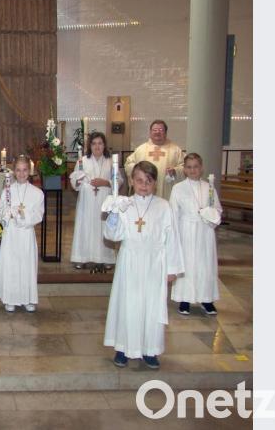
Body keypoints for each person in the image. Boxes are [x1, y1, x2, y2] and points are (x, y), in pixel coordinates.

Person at [103, 161, 184, 370]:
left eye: (148, 181)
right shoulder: (125, 204)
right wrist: (113, 214)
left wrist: (172, 269)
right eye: (139, 180)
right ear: (131, 181)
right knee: (127, 304)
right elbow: (113, 235)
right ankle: (123, 347)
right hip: (129, 260)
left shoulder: (163, 206)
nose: (143, 185)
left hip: (154, 264)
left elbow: (172, 238)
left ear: (155, 183)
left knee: (151, 306)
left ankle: (150, 350)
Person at [170, 153, 223, 316]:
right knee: (187, 264)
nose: (193, 170)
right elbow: (173, 213)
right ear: (184, 170)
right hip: (185, 230)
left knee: (205, 264)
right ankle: (184, 299)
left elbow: (218, 210)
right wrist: (174, 236)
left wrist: (209, 214)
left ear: (201, 168)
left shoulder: (209, 187)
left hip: (204, 232)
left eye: (196, 167)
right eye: (189, 167)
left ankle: (206, 299)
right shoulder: (178, 188)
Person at [0, 155, 44, 312]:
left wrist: (22, 215)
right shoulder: (7, 191)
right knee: (12, 265)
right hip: (11, 235)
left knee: (27, 266)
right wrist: (7, 214)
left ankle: (28, 298)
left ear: (30, 171)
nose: (21, 173)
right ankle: (11, 298)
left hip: (26, 234)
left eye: (25, 170)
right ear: (13, 172)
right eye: (18, 170)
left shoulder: (37, 193)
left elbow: (38, 215)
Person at [69, 132, 121, 270]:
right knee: (85, 227)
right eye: (94, 143)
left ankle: (106, 258)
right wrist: (78, 180)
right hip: (87, 200)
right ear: (89, 146)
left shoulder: (110, 161)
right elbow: (74, 181)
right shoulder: (82, 161)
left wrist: (105, 182)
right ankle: (81, 257)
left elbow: (119, 180)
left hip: (104, 201)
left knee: (103, 227)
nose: (97, 146)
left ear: (104, 145)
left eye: (100, 143)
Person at [124, 120, 185, 199]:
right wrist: (138, 170)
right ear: (150, 132)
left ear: (165, 133)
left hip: (166, 192)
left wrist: (175, 171)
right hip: (145, 190)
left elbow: (184, 167)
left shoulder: (176, 150)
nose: (157, 132)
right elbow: (128, 164)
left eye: (161, 130)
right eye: (155, 130)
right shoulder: (141, 149)